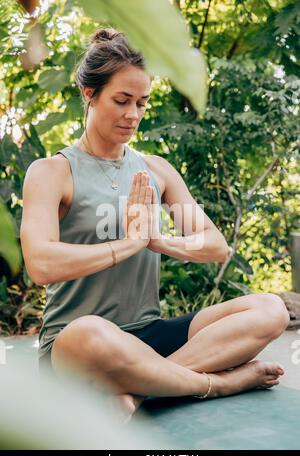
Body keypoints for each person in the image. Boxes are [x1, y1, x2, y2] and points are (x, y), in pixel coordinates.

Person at [20, 27, 289, 422]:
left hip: (150, 334)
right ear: (89, 94)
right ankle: (219, 383)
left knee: (271, 309)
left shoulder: (156, 170)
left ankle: (140, 391)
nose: (133, 115)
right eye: (122, 100)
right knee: (88, 331)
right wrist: (128, 244)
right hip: (79, 344)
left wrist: (157, 241)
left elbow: (214, 246)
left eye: (142, 103)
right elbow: (41, 264)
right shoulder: (51, 172)